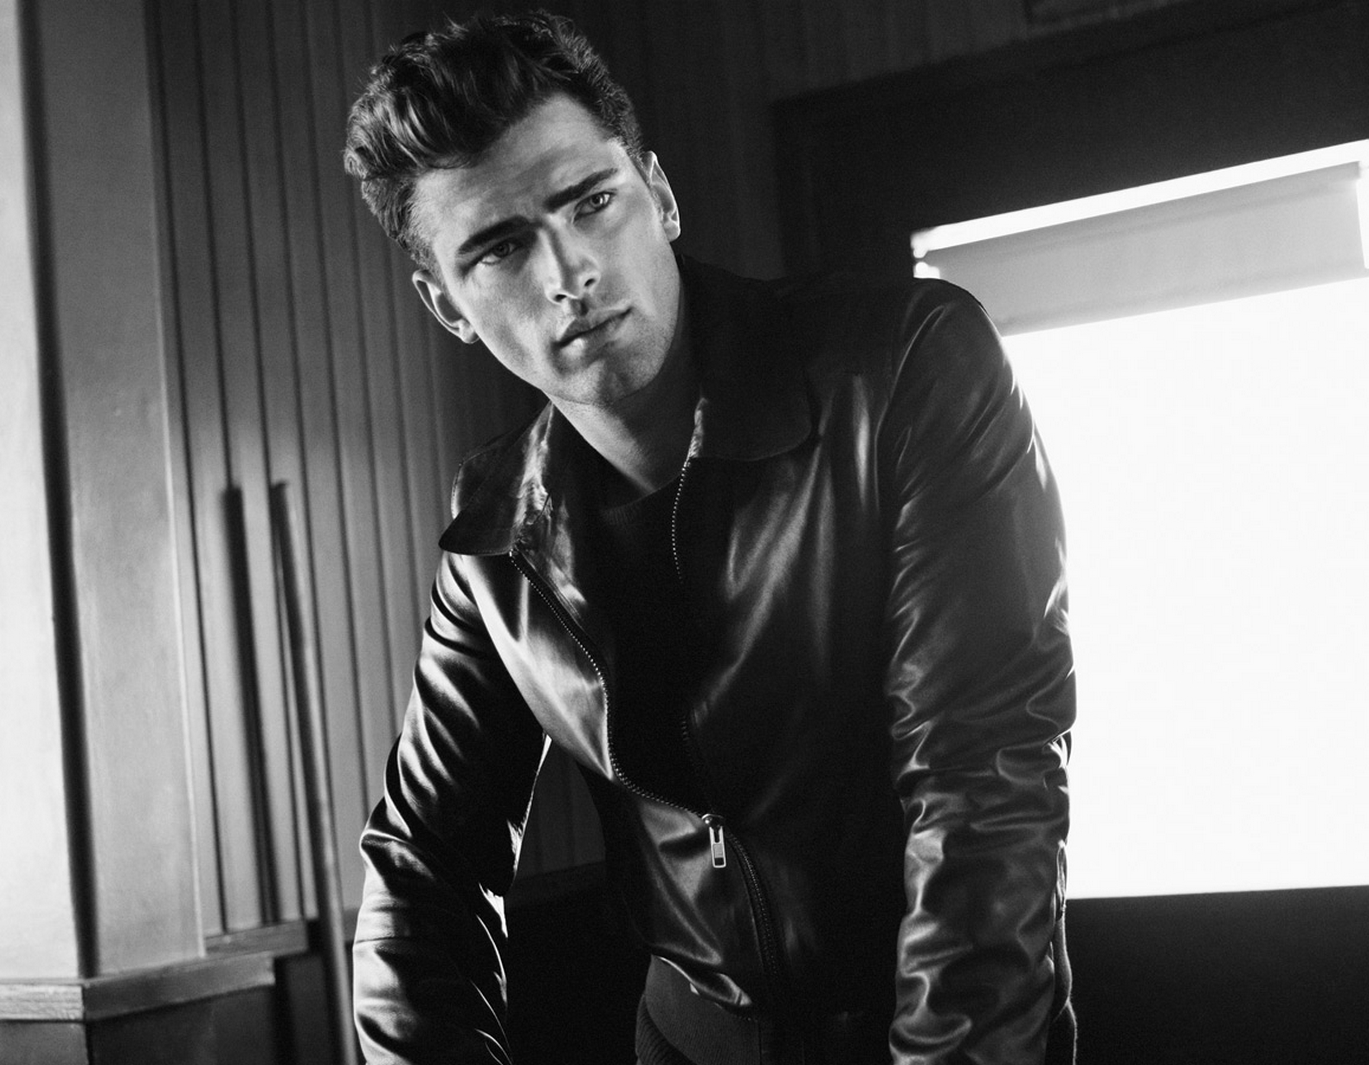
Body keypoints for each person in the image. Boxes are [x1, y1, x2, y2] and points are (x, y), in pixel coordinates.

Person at [342, 11, 1076, 1065]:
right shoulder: (498, 522)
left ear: (660, 193)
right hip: (687, 1040)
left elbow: (983, 779)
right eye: (499, 249)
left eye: (592, 202)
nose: (568, 272)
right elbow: (424, 865)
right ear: (447, 305)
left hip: (937, 1023)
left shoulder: (905, 368)